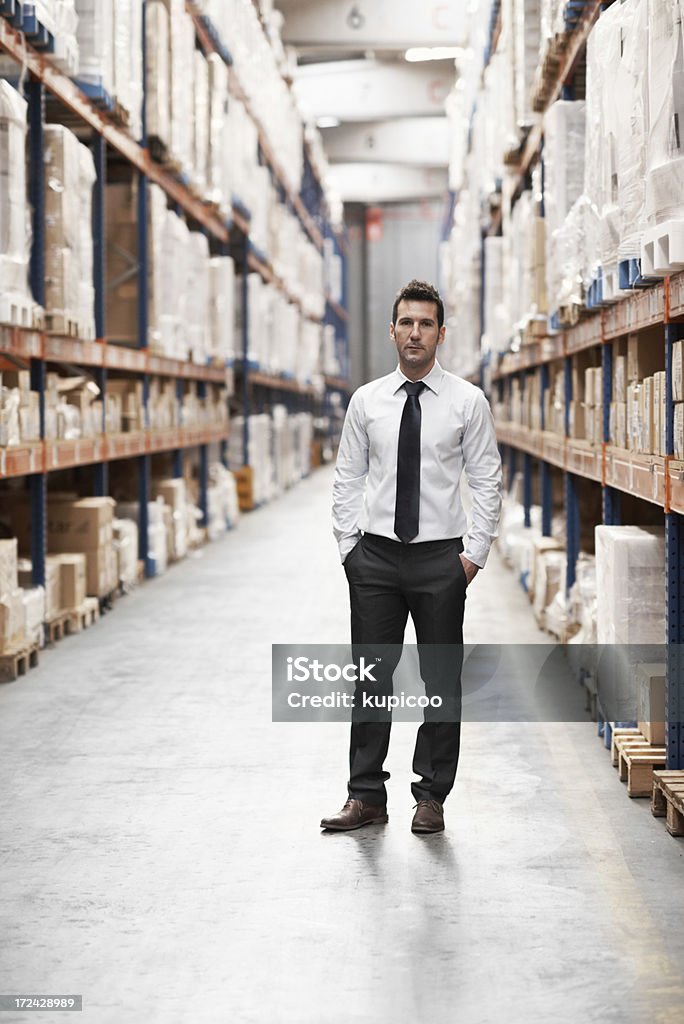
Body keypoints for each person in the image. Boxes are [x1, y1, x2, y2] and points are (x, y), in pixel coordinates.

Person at [322, 279, 503, 835]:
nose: (415, 333)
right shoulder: (367, 402)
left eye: (426, 324)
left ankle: (431, 796)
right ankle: (365, 795)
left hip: (440, 562)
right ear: (392, 330)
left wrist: (471, 557)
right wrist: (349, 546)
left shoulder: (467, 402)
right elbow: (348, 474)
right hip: (374, 558)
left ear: (441, 333)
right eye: (406, 323)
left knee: (441, 679)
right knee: (372, 676)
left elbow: (487, 480)